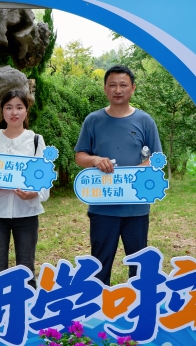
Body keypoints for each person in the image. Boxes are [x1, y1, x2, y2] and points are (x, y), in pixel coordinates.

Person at [74, 65, 162, 285]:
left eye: (123, 85)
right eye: (112, 85)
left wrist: (138, 170)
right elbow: (80, 156)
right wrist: (95, 160)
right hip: (102, 206)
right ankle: (97, 304)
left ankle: (140, 303)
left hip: (136, 207)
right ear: (105, 88)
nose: (118, 90)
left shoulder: (145, 121)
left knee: (139, 267)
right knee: (99, 266)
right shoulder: (93, 120)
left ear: (133, 88)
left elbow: (157, 158)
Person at [0, 89, 48, 287]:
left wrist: (34, 193)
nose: (14, 112)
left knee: (26, 267)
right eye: (9, 108)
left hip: (26, 213)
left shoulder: (35, 141)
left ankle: (27, 305)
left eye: (19, 107)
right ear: (2, 111)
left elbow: (44, 179)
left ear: (26, 111)